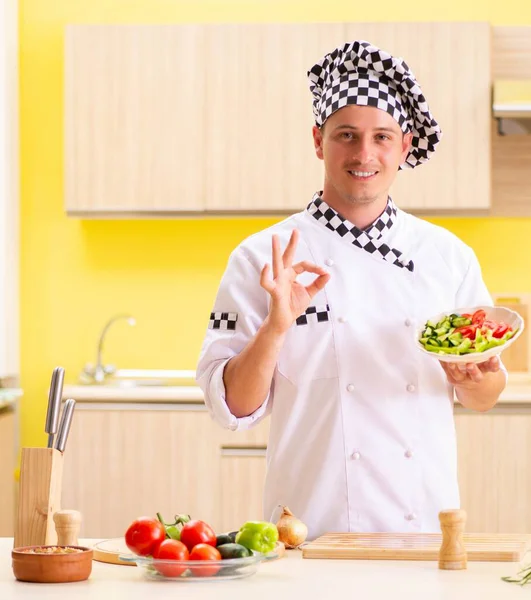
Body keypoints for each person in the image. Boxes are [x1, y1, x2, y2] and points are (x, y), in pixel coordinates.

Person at [196, 40, 507, 539]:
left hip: (426, 524)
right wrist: (277, 326)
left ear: (404, 147)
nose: (365, 154)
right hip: (309, 525)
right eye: (347, 135)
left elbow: (487, 394)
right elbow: (230, 407)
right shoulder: (263, 256)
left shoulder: (445, 255)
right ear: (318, 141)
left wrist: (473, 378)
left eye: (382, 136)